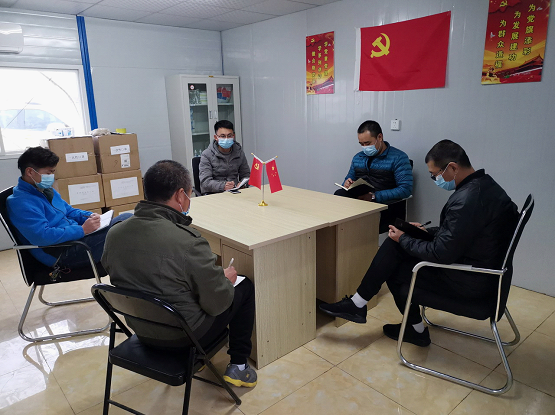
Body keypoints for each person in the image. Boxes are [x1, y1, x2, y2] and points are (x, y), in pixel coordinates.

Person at [321, 140, 519, 346]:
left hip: (470, 282)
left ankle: (383, 315)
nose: (435, 179)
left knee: (394, 266)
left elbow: (441, 253)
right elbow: (462, 231)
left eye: (435, 174)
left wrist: (404, 238)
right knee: (395, 246)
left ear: (452, 167)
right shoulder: (485, 185)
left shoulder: (467, 199)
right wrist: (423, 232)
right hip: (482, 270)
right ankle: (362, 305)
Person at [102, 160, 257, 387]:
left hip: (141, 328)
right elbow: (217, 304)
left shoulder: (114, 234)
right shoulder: (188, 242)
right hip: (183, 336)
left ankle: (205, 359)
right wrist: (224, 280)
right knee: (244, 287)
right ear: (180, 195)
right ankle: (239, 367)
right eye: (190, 193)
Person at [6, 146, 130, 270]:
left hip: (76, 240)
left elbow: (69, 211)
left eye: (53, 172)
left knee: (127, 220)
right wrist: (82, 230)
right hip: (61, 253)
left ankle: (129, 273)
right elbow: (42, 236)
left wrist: (89, 216)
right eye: (48, 173)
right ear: (30, 172)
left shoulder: (45, 190)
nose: (52, 176)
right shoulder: (19, 202)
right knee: (125, 228)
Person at [335, 120, 413, 231]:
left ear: (379, 137)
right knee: (339, 194)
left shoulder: (398, 157)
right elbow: (348, 179)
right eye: (361, 144)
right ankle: (342, 237)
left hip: (383, 204)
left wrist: (374, 196)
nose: (364, 147)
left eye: (367, 143)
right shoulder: (358, 157)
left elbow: (405, 190)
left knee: (356, 217)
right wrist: (347, 183)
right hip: (359, 201)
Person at [199, 120, 250, 194]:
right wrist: (223, 186)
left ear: (233, 136)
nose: (226, 139)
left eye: (229, 136)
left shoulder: (239, 152)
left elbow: (246, 175)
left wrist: (243, 184)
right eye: (223, 136)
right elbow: (205, 182)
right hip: (214, 194)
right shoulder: (207, 154)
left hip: (234, 192)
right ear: (216, 137)